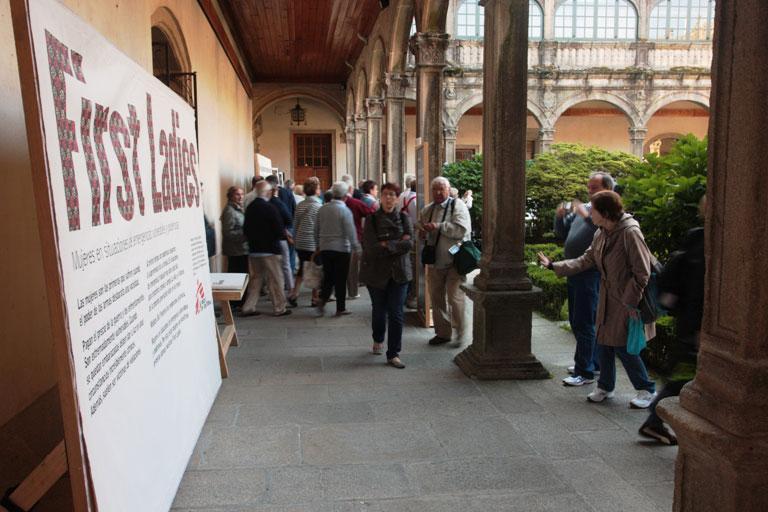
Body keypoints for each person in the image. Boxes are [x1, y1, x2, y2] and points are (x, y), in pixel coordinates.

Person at [538, 190, 657, 409]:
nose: (588, 213)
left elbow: (642, 272)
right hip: (608, 298)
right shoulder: (602, 232)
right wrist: (555, 266)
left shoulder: (630, 232)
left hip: (625, 301)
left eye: (593, 210)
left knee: (623, 346)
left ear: (605, 212)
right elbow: (587, 259)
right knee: (603, 343)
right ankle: (605, 386)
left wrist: (630, 302)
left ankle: (647, 389)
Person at [639, 197, 706, 445]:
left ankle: (655, 421)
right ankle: (655, 420)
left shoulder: (696, 236)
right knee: (687, 377)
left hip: (687, 320)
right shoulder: (705, 242)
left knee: (685, 374)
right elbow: (699, 288)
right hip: (696, 324)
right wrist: (700, 328)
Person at [554, 171, 615, 387]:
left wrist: (586, 216)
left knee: (585, 321)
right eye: (589, 188)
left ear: (608, 189)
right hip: (574, 270)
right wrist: (560, 217)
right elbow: (562, 232)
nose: (589, 192)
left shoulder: (608, 212)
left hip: (589, 273)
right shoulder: (588, 209)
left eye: (594, 188)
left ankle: (584, 371)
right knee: (576, 320)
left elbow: (604, 231)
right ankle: (592, 362)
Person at [360, 183, 413, 369]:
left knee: (397, 313)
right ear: (380, 197)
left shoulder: (404, 218)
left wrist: (386, 244)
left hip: (400, 272)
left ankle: (394, 353)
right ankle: (378, 337)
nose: (389, 198)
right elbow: (371, 248)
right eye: (385, 194)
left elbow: (409, 244)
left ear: (397, 198)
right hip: (376, 273)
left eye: (392, 194)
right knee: (379, 311)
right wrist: (397, 243)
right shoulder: (371, 220)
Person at [417, 176, 472, 345]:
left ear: (448, 190)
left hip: (455, 260)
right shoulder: (427, 210)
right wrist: (422, 232)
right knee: (436, 298)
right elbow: (420, 230)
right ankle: (442, 333)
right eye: (435, 189)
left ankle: (461, 332)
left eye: (442, 189)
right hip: (435, 262)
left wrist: (439, 226)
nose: (438, 192)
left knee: (455, 297)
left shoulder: (458, 206)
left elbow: (462, 230)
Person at [240, 181, 292, 317]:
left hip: (254, 250)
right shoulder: (270, 208)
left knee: (256, 280)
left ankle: (248, 307)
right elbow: (279, 229)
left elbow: (245, 229)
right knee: (275, 279)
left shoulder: (250, 207)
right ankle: (279, 307)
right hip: (270, 250)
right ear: (268, 192)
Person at [315, 181, 360, 317]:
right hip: (341, 249)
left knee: (328, 276)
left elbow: (316, 229)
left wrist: (318, 244)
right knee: (341, 279)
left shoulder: (322, 209)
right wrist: (356, 247)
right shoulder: (345, 211)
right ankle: (340, 308)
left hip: (325, 248)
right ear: (345, 196)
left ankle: (323, 299)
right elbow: (350, 231)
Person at [290, 178, 323, 307]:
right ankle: (315, 298)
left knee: (302, 269)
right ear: (315, 190)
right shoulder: (318, 206)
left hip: (300, 242)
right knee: (315, 269)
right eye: (319, 187)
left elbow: (295, 224)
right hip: (312, 243)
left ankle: (294, 293)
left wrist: (295, 238)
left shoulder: (300, 205)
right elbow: (318, 227)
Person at [265, 175, 295, 297]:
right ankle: (290, 287)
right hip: (286, 231)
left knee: (276, 265)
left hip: (278, 234)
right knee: (288, 262)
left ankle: (281, 289)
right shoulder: (287, 193)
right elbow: (292, 210)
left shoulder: (271, 201)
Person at [344, 184, 376, 300]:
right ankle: (352, 292)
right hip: (354, 237)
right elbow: (371, 213)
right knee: (352, 268)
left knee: (337, 268)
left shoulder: (328, 205)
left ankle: (335, 294)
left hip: (336, 240)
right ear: (350, 190)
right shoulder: (355, 203)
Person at [220, 186, 249, 307]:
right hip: (235, 250)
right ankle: (236, 302)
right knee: (237, 276)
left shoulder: (238, 208)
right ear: (231, 196)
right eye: (237, 194)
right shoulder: (229, 211)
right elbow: (228, 232)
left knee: (242, 276)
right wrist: (246, 234)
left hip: (241, 248)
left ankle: (240, 301)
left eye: (242, 194)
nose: (241, 196)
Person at [397, 175, 418, 309]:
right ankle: (411, 296)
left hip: (400, 235)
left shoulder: (401, 196)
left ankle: (403, 296)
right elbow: (416, 221)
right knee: (413, 267)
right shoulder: (415, 200)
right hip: (412, 236)